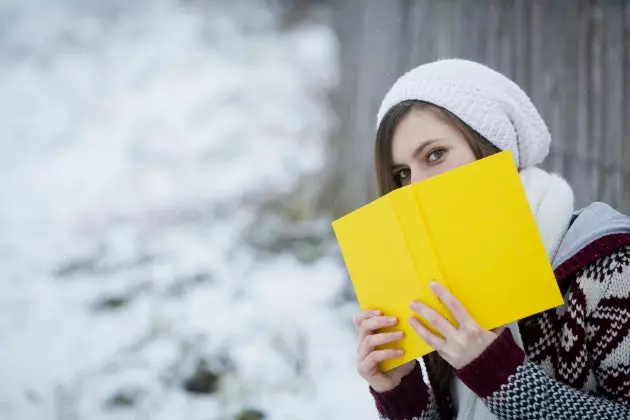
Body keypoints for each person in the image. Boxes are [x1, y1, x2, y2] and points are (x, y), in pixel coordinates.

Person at [353, 59, 630, 420]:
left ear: (492, 149)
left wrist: (501, 376)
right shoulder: (441, 279)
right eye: (403, 173)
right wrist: (403, 393)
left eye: (435, 154)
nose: (416, 187)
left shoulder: (610, 266)